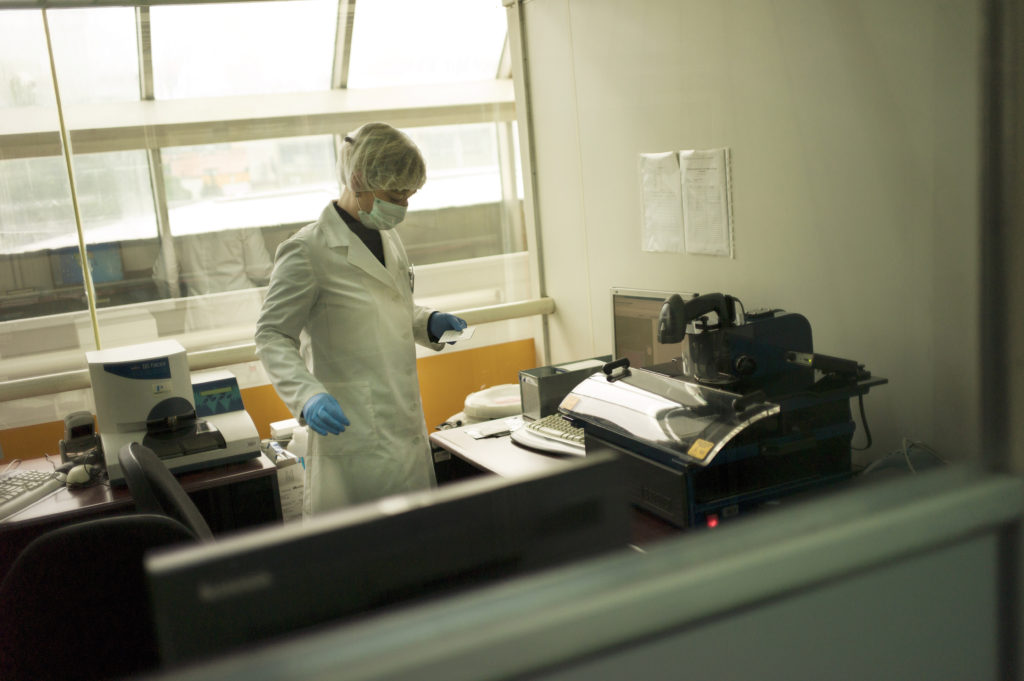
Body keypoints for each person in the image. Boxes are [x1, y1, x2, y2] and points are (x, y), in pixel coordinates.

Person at [255, 122, 467, 516]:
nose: (403, 205)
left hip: (404, 427)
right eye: (395, 194)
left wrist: (428, 322)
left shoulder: (387, 237)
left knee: (416, 556)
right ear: (358, 180)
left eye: (409, 194)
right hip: (351, 441)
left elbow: (388, 309)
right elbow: (271, 334)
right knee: (359, 564)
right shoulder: (307, 250)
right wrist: (307, 395)